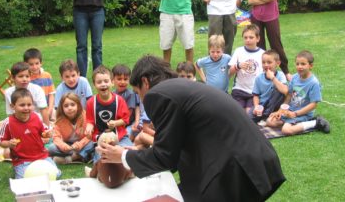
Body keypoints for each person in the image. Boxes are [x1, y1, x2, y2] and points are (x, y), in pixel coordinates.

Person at [97, 55, 285, 201]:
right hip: (253, 160)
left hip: (237, 168)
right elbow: (173, 149)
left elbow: (165, 158)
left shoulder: (158, 94)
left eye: (138, 93)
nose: (142, 100)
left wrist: (122, 156)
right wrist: (135, 155)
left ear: (145, 82)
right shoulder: (180, 88)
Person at [0, 88, 61, 179]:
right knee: (23, 180)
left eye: (29, 105)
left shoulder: (36, 117)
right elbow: (1, 141)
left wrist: (47, 134)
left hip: (41, 156)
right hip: (22, 160)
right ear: (12, 106)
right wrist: (9, 143)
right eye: (22, 105)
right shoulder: (8, 123)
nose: (26, 108)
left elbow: (43, 132)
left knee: (56, 174)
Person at [248, 0, 291, 81]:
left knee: (276, 44)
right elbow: (250, 0)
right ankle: (263, 72)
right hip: (256, 16)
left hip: (271, 15)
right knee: (259, 45)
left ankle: (286, 71)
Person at [266, 50, 330, 135]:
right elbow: (289, 95)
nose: (299, 67)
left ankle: (316, 122)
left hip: (303, 113)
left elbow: (313, 104)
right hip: (290, 110)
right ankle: (289, 122)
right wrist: (281, 110)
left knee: (286, 130)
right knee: (270, 121)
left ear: (310, 66)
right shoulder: (295, 77)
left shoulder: (314, 83)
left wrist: (295, 114)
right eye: (297, 64)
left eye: (303, 64)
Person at [84, 65, 132, 162]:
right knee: (102, 161)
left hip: (120, 137)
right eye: (99, 82)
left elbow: (126, 119)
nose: (103, 84)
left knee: (128, 155)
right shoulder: (91, 103)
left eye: (106, 81)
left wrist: (115, 123)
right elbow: (90, 121)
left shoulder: (119, 100)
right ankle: (95, 156)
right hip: (101, 139)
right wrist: (89, 127)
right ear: (94, 85)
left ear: (112, 82)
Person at [48, 93, 94, 164]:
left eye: (72, 105)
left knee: (92, 144)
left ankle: (73, 158)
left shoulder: (85, 116)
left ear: (78, 106)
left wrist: (79, 144)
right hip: (68, 146)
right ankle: (82, 156)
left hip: (82, 144)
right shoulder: (59, 121)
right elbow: (56, 138)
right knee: (51, 148)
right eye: (66, 106)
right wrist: (64, 146)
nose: (70, 108)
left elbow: (89, 136)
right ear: (62, 108)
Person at [229, 24, 264, 113]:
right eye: (245, 37)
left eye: (251, 37)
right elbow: (229, 73)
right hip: (239, 89)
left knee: (249, 113)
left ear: (258, 38)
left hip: (254, 92)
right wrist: (238, 66)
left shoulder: (263, 54)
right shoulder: (239, 51)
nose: (248, 40)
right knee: (237, 112)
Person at [5, 62, 49, 127]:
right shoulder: (9, 92)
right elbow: (11, 113)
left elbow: (43, 110)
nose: (24, 79)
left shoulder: (37, 89)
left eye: (27, 76)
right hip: (18, 120)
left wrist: (47, 128)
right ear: (13, 78)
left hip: (36, 120)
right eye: (21, 76)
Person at [249, 50, 288, 123]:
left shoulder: (281, 75)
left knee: (278, 89)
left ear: (277, 63)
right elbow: (256, 95)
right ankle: (262, 117)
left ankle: (265, 116)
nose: (266, 65)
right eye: (263, 62)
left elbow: (285, 91)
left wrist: (273, 78)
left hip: (275, 105)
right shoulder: (259, 78)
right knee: (248, 119)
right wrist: (257, 106)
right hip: (262, 105)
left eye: (269, 62)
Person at [23, 48, 56, 120]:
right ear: (25, 64)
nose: (34, 67)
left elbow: (51, 94)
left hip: (48, 108)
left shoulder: (47, 75)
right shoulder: (26, 79)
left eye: (37, 63)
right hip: (33, 111)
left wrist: (50, 110)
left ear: (41, 63)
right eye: (31, 64)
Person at [112, 64, 140, 140]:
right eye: (119, 79)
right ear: (113, 80)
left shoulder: (130, 94)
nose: (122, 82)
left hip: (129, 123)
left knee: (125, 135)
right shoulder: (112, 94)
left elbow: (129, 114)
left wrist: (118, 125)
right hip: (117, 122)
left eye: (125, 79)